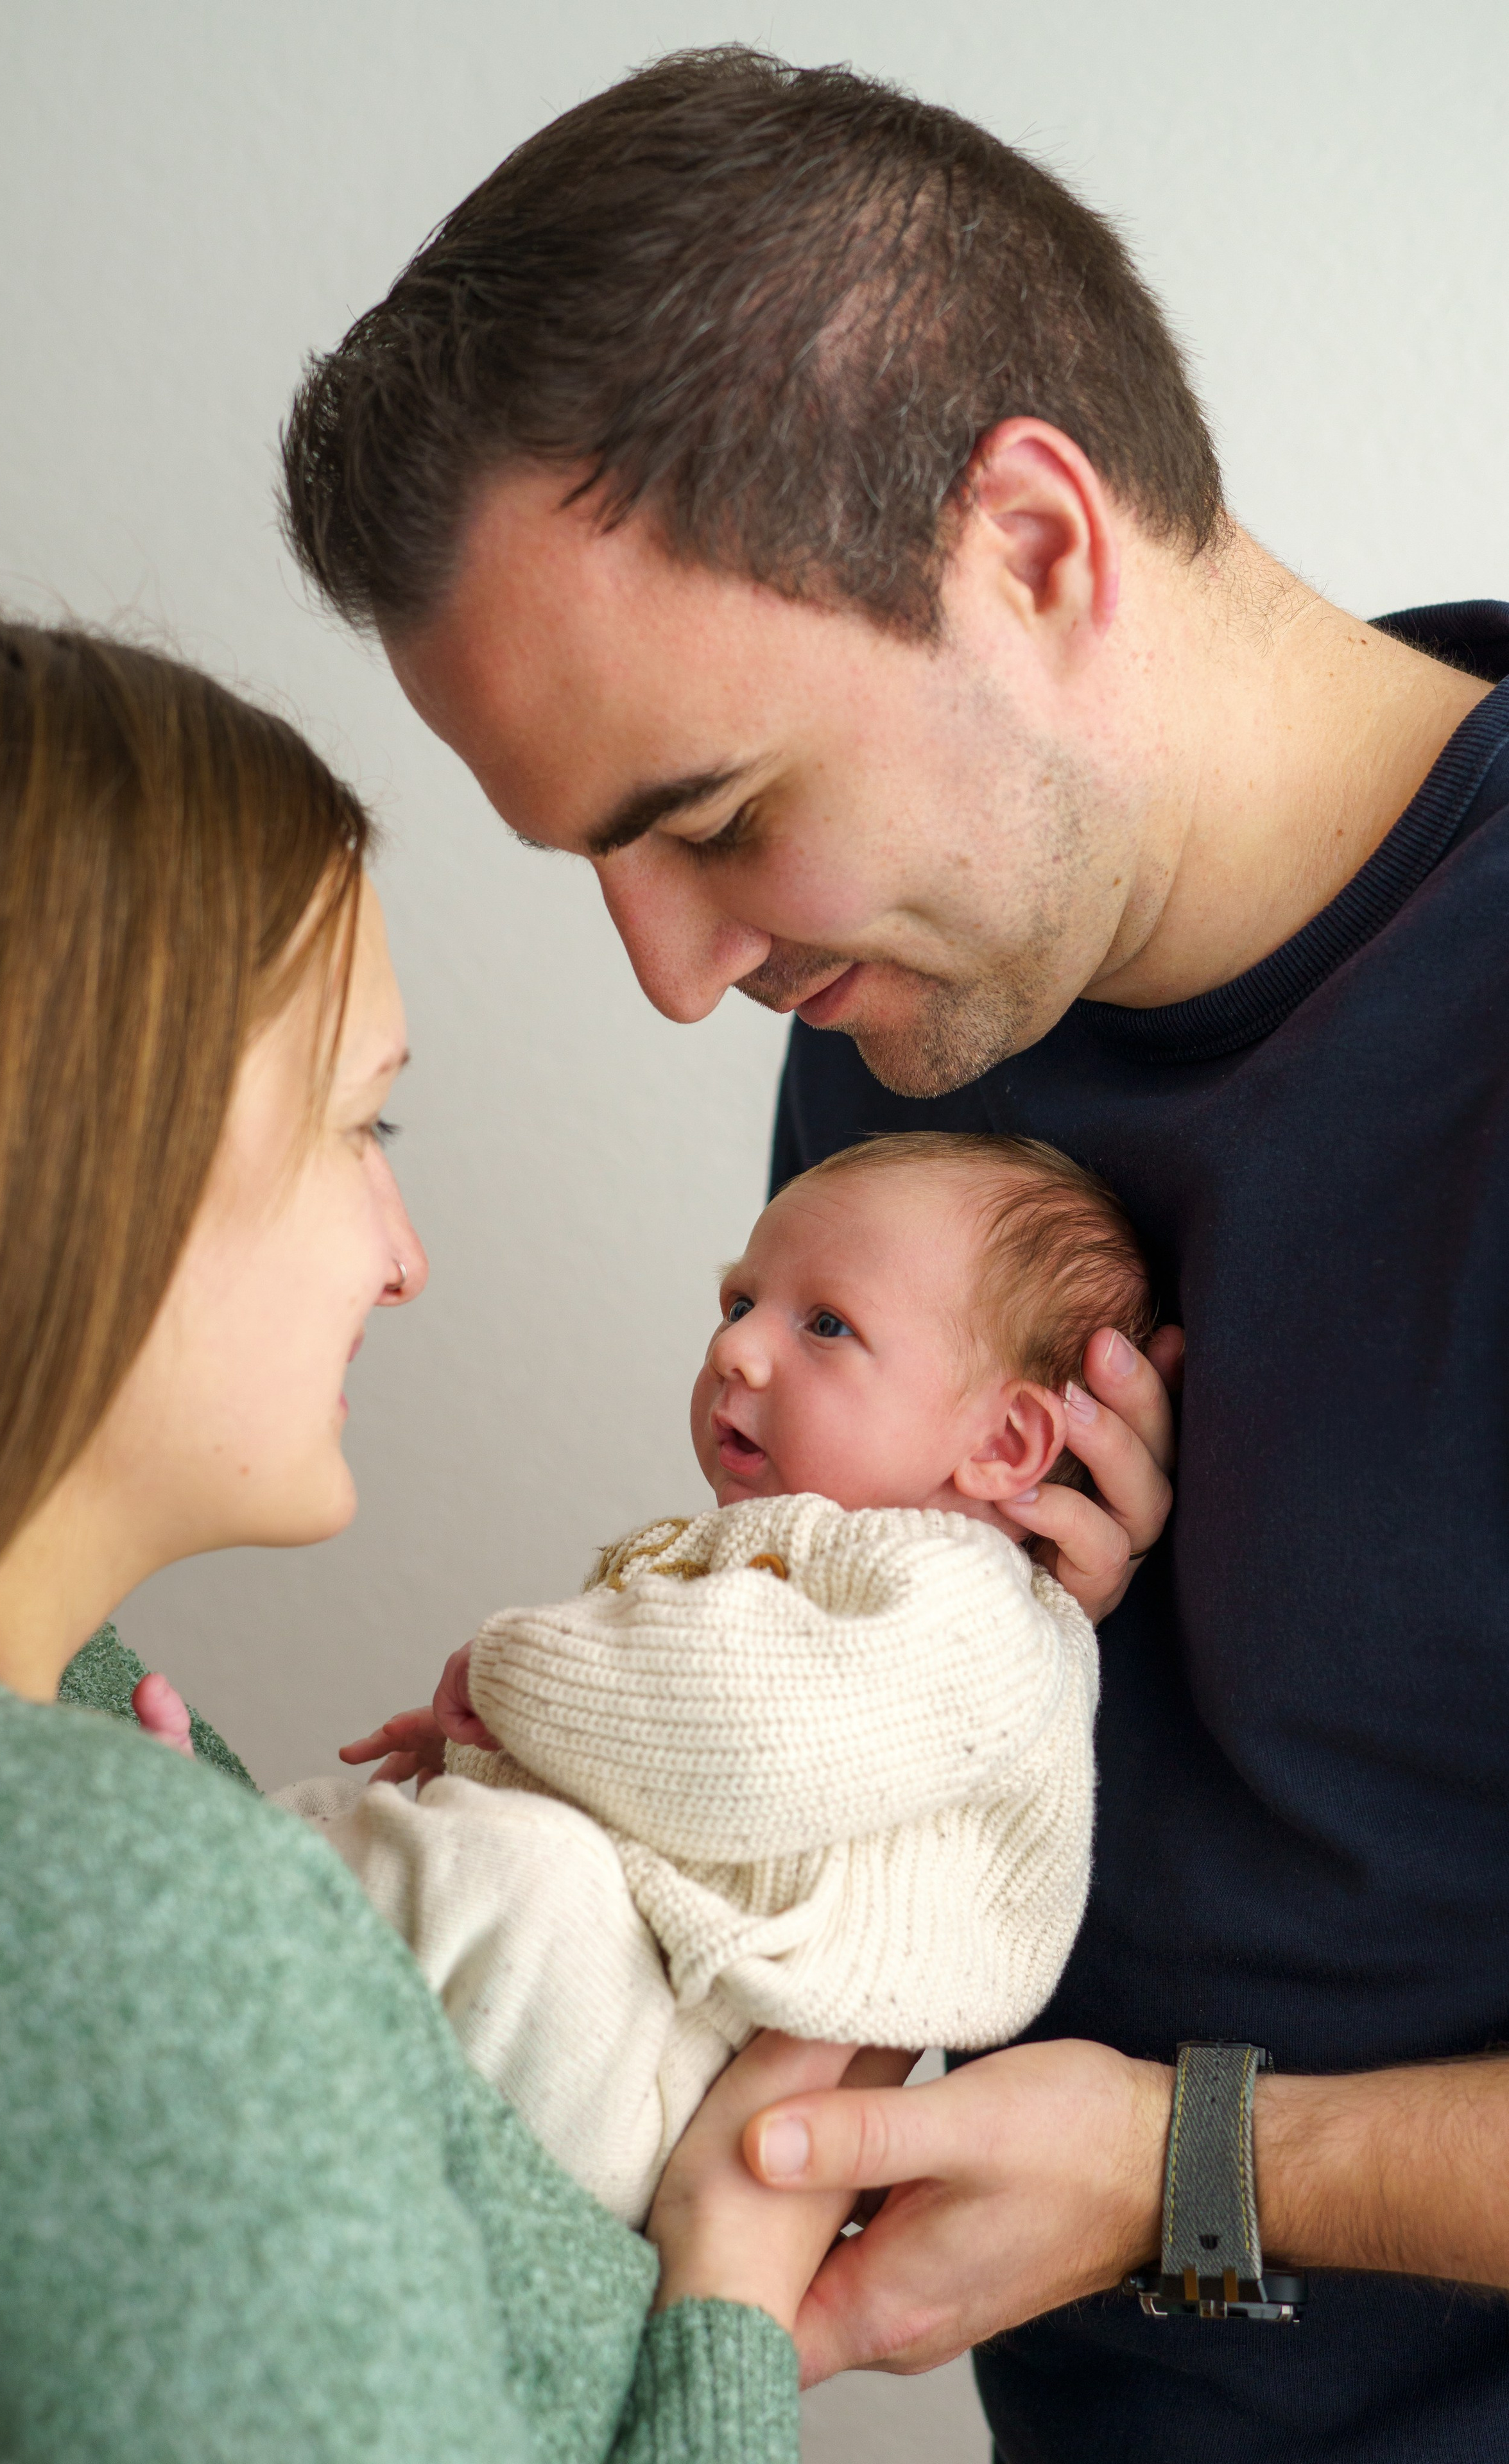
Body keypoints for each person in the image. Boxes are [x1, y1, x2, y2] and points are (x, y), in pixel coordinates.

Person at [276, 42, 1509, 2464]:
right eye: (601, 865)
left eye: (717, 818)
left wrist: (1194, 2168)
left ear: (1034, 548)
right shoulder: (914, 1020)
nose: (672, 974)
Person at [0, 600, 890, 2462]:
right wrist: (732, 2305)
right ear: (74, 1160)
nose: (402, 1260)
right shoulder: (117, 1911)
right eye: (367, 1130)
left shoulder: (79, 1732)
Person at [249, 1133, 1144, 2225]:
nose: (738, 1349)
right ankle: (199, 1894)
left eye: (827, 1325)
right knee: (371, 1825)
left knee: (516, 1869)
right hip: (604, 2001)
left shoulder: (973, 1611)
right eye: (739, 1303)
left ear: (1004, 1443)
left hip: (664, 2072)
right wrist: (487, 1751)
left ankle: (210, 1936)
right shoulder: (795, 1555)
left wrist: (512, 1678)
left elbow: (742, 1745)